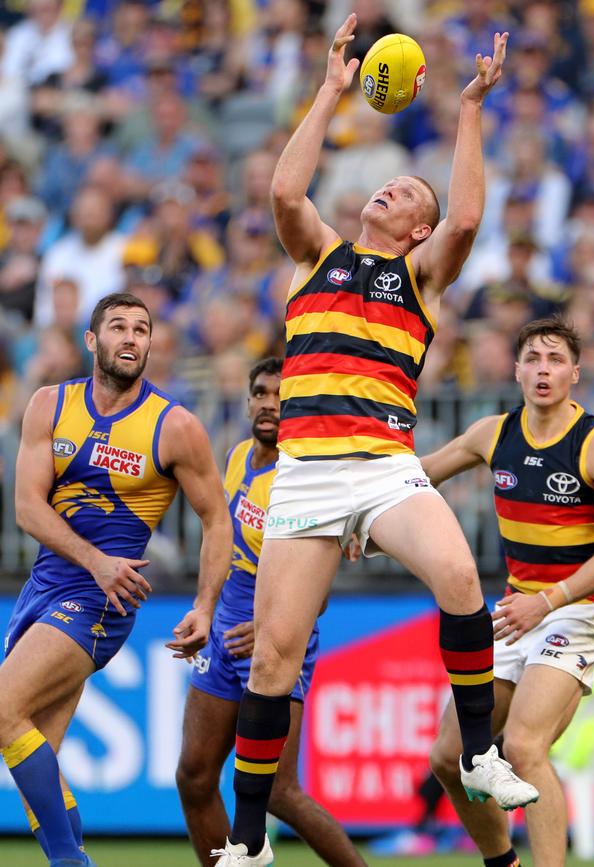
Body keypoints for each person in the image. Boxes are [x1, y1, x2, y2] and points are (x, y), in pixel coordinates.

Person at [216, 15, 538, 867]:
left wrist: (469, 109)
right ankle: (248, 845)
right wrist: (328, 91)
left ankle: (476, 754)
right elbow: (286, 195)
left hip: (386, 466)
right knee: (273, 663)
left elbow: (467, 217)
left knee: (462, 575)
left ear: (417, 232)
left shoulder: (421, 277)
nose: (390, 188)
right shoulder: (315, 253)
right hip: (309, 473)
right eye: (389, 182)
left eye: (407, 192)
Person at [0, 292, 233, 867]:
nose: (132, 338)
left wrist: (205, 606)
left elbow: (217, 519)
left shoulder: (174, 425)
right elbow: (27, 508)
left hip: (104, 597)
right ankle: (71, 856)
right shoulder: (49, 405)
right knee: (36, 751)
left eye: (142, 330)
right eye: (119, 327)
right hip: (46, 587)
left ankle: (72, 863)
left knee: (4, 710)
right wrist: (91, 558)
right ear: (91, 340)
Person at [422, 317, 594, 867]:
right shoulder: (491, 433)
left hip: (577, 611)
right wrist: (359, 512)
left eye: (556, 360)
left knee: (521, 747)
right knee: (449, 757)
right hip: (517, 613)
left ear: (575, 372)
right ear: (516, 370)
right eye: (534, 359)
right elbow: (418, 477)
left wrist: (546, 601)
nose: (544, 370)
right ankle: (504, 863)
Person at [176, 357, 367, 867]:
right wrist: (206, 609)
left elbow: (318, 589)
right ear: (247, 401)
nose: (269, 404)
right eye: (261, 393)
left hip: (277, 637)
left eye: (282, 397)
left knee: (279, 791)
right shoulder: (239, 456)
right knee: (194, 776)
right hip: (223, 635)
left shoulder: (304, 479)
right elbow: (219, 544)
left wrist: (267, 625)